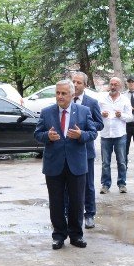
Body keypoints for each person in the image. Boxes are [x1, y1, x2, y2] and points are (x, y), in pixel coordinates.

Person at [35, 80, 98, 249]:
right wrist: (47, 136)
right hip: (54, 164)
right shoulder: (47, 112)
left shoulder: (84, 111)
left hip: (76, 163)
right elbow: (37, 133)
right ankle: (58, 235)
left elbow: (93, 133)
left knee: (77, 202)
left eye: (63, 93)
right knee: (56, 201)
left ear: (72, 95)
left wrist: (80, 135)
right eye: (57, 93)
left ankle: (76, 235)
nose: (60, 96)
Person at [70, 73, 104, 228]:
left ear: (85, 85)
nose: (75, 85)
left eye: (78, 82)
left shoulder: (91, 102)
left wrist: (84, 129)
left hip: (86, 150)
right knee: (68, 184)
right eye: (73, 82)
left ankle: (89, 214)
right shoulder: (65, 100)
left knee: (88, 184)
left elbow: (99, 124)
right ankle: (68, 213)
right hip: (68, 149)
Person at [98, 77, 133, 194]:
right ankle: (105, 184)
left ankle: (122, 183)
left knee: (122, 161)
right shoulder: (102, 99)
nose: (113, 87)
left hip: (120, 135)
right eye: (111, 84)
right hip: (105, 135)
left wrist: (121, 115)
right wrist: (101, 114)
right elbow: (95, 114)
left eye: (115, 84)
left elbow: (130, 117)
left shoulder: (125, 100)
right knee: (105, 162)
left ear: (120, 86)